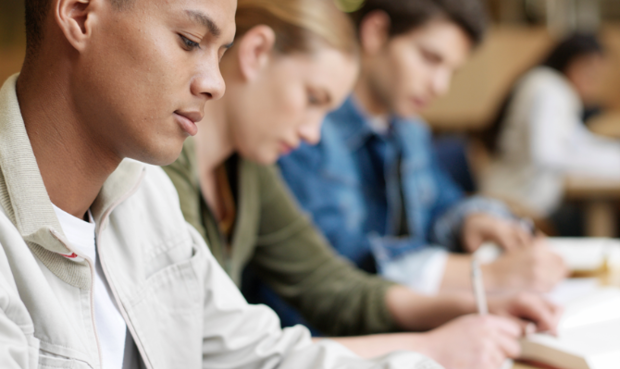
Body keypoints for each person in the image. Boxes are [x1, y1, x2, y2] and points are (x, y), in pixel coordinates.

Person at [0, 0, 447, 367]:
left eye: (219, 53)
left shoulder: (147, 193)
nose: (215, 83)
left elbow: (259, 354)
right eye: (190, 41)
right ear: (79, 15)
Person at [163, 0, 562, 368]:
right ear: (255, 54)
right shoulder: (162, 165)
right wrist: (433, 344)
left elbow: (331, 284)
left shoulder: (250, 166)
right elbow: (221, 348)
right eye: (313, 98)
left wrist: (467, 307)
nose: (314, 133)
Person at [278, 0, 568, 297]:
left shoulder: (410, 131)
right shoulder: (303, 129)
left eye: (451, 71)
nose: (440, 86)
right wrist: (486, 276)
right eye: (430, 58)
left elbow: (441, 203)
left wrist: (472, 221)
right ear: (376, 33)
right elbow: (331, 262)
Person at [480, 33, 620, 218]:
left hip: (526, 201)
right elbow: (547, 154)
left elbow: (580, 141)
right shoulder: (548, 89)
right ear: (572, 63)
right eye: (590, 73)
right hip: (518, 206)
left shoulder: (552, 87)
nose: (593, 84)